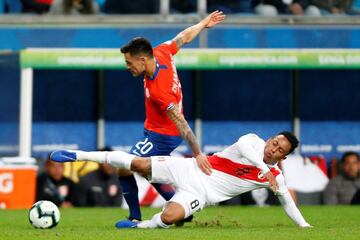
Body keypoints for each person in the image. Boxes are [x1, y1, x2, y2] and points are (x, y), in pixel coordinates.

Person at [51, 131, 312, 228]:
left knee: (169, 217)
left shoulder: (275, 176)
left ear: (284, 157)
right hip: (190, 169)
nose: (273, 148)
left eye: (280, 150)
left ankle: (143, 226)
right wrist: (262, 167)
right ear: (269, 139)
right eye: (274, 142)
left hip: (203, 194)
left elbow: (287, 201)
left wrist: (304, 226)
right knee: (137, 163)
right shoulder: (253, 141)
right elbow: (245, 148)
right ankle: (77, 155)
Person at [112, 10, 225, 228]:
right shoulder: (162, 52)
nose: (127, 67)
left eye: (129, 63)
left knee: (125, 166)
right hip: (156, 130)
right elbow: (183, 37)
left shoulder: (160, 90)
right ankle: (181, 210)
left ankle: (134, 217)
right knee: (150, 171)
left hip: (162, 135)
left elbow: (181, 122)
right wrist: (203, 23)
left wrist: (198, 153)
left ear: (143, 60)